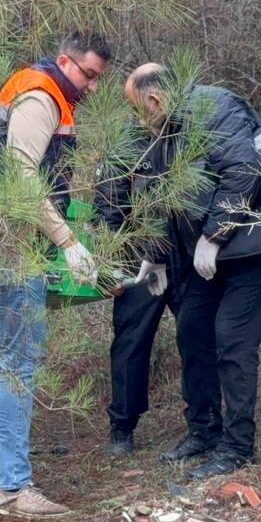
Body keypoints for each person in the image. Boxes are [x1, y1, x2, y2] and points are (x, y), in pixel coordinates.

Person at [124, 63, 261, 480]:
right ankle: (203, 431)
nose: (138, 119)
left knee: (232, 340)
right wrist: (155, 256)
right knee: (193, 332)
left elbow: (242, 170)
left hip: (258, 244)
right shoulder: (164, 133)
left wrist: (213, 235)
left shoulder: (214, 107)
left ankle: (237, 445)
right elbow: (162, 198)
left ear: (154, 100)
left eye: (138, 108)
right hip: (213, 257)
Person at [0, 31, 111, 518]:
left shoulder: (39, 90)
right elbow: (22, 177)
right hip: (10, 242)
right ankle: (13, 489)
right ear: (64, 60)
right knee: (19, 362)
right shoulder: (42, 97)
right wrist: (67, 241)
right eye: (87, 74)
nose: (90, 86)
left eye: (96, 78)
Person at [92, 111, 187, 456]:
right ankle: (122, 427)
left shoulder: (186, 134)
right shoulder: (125, 144)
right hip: (138, 259)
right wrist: (109, 265)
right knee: (131, 343)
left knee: (197, 337)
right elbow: (107, 206)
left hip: (187, 256)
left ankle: (204, 423)